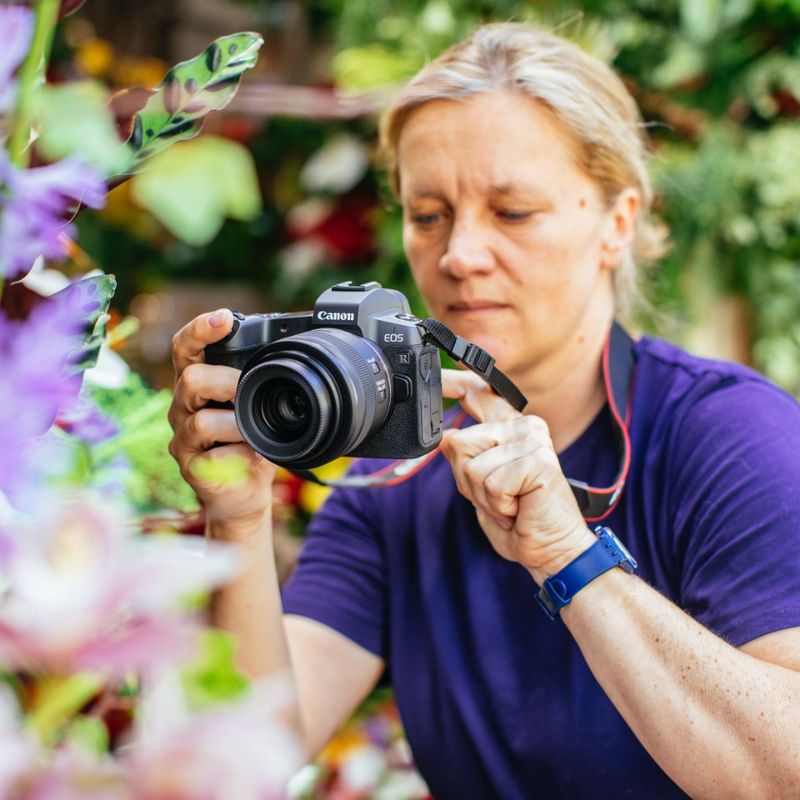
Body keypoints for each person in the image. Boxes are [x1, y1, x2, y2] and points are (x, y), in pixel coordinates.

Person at [168, 22, 800, 800]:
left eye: (513, 211)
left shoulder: (728, 435)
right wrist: (236, 520)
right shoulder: (397, 470)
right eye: (428, 214)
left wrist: (568, 555)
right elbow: (242, 764)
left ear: (618, 222)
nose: (459, 255)